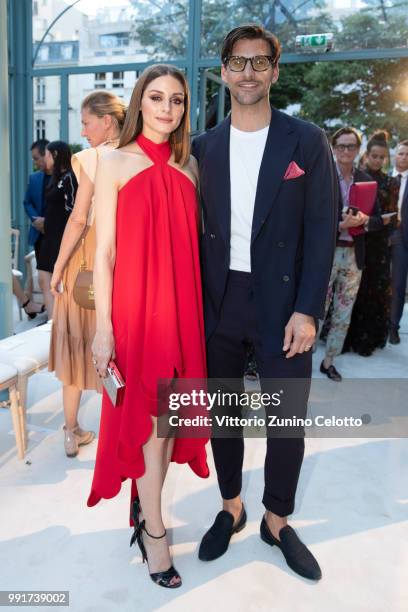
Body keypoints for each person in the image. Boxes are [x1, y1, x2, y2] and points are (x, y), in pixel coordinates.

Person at [192, 25, 338, 581]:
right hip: (219, 301)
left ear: (276, 71)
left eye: (259, 62)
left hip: (284, 304)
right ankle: (231, 507)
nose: (248, 72)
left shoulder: (306, 141)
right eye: (237, 62)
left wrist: (308, 309)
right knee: (223, 415)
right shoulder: (203, 148)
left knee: (286, 419)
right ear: (224, 72)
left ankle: (277, 519)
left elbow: (322, 229)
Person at [90, 64, 209, 589]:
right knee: (148, 416)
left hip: (181, 308)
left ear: (185, 109)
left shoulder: (190, 169)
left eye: (177, 100)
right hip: (135, 312)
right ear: (140, 102)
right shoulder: (113, 161)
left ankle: (147, 512)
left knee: (166, 417)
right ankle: (154, 529)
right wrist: (102, 328)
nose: (167, 108)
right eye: (157, 97)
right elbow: (104, 253)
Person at [48, 91, 126, 459]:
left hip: (89, 260)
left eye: (86, 122)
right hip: (124, 262)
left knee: (76, 343)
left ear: (106, 120)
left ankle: (71, 429)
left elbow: (78, 219)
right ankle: (119, 438)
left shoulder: (93, 158)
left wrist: (59, 266)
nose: (83, 131)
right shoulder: (136, 154)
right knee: (114, 350)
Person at [319, 127, 386, 381]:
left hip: (354, 255)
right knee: (317, 309)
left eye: (351, 146)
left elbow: (378, 220)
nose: (345, 151)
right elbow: (311, 217)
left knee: (343, 312)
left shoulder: (366, 179)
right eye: (341, 146)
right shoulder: (322, 176)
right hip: (326, 253)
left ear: (358, 150)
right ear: (333, 148)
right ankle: (303, 359)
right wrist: (339, 225)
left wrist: (365, 220)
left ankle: (329, 361)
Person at [343, 131, 399, 355]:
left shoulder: (391, 182)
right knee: (352, 292)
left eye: (381, 157)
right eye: (374, 156)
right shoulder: (357, 177)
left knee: (374, 292)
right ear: (366, 155)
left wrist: (380, 223)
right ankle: (345, 339)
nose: (377, 160)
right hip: (358, 241)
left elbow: (392, 216)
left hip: (380, 246)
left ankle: (368, 340)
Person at [36, 141, 77, 318]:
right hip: (49, 237)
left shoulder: (70, 177)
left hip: (61, 238)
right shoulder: (55, 178)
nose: (45, 158)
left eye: (46, 154)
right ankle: (52, 323)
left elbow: (74, 209)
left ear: (55, 155)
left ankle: (58, 323)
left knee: (59, 282)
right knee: (44, 279)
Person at [23, 139, 51, 309]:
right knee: (43, 277)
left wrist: (48, 222)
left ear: (46, 154)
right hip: (39, 236)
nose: (34, 162)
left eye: (36, 158)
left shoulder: (64, 177)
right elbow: (27, 203)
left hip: (57, 236)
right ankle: (49, 314)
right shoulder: (34, 179)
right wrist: (36, 220)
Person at [389, 139, 408, 344]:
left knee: (398, 284)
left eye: (407, 154)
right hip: (381, 235)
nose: (403, 157)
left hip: (403, 237)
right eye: (401, 153)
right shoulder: (384, 177)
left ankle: (393, 327)